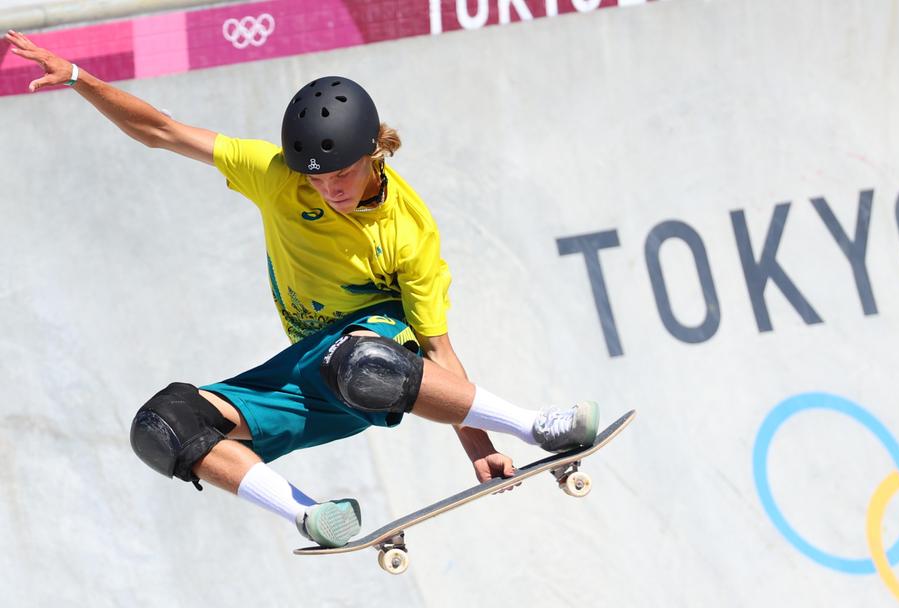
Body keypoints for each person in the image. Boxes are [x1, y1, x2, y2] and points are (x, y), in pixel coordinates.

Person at [5, 30, 601, 548]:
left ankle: (540, 423)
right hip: (310, 369)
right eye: (319, 180)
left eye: (344, 174)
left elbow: (437, 346)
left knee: (360, 359)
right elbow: (161, 131)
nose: (332, 189)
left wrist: (479, 445)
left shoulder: (406, 229)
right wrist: (80, 78)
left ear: (374, 152)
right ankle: (312, 515)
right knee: (164, 426)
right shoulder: (275, 176)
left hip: (381, 356)